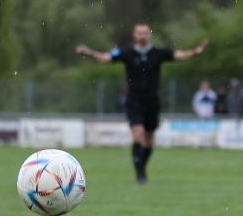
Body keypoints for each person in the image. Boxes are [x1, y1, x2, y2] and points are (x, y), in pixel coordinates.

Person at [76, 23, 208, 183]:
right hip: (134, 101)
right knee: (138, 137)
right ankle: (140, 175)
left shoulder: (158, 53)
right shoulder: (126, 53)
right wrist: (89, 52)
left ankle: (141, 167)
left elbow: (180, 55)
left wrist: (195, 52)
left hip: (152, 101)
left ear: (149, 34)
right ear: (135, 35)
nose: (142, 35)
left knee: (149, 141)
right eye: (139, 33)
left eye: (145, 33)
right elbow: (105, 58)